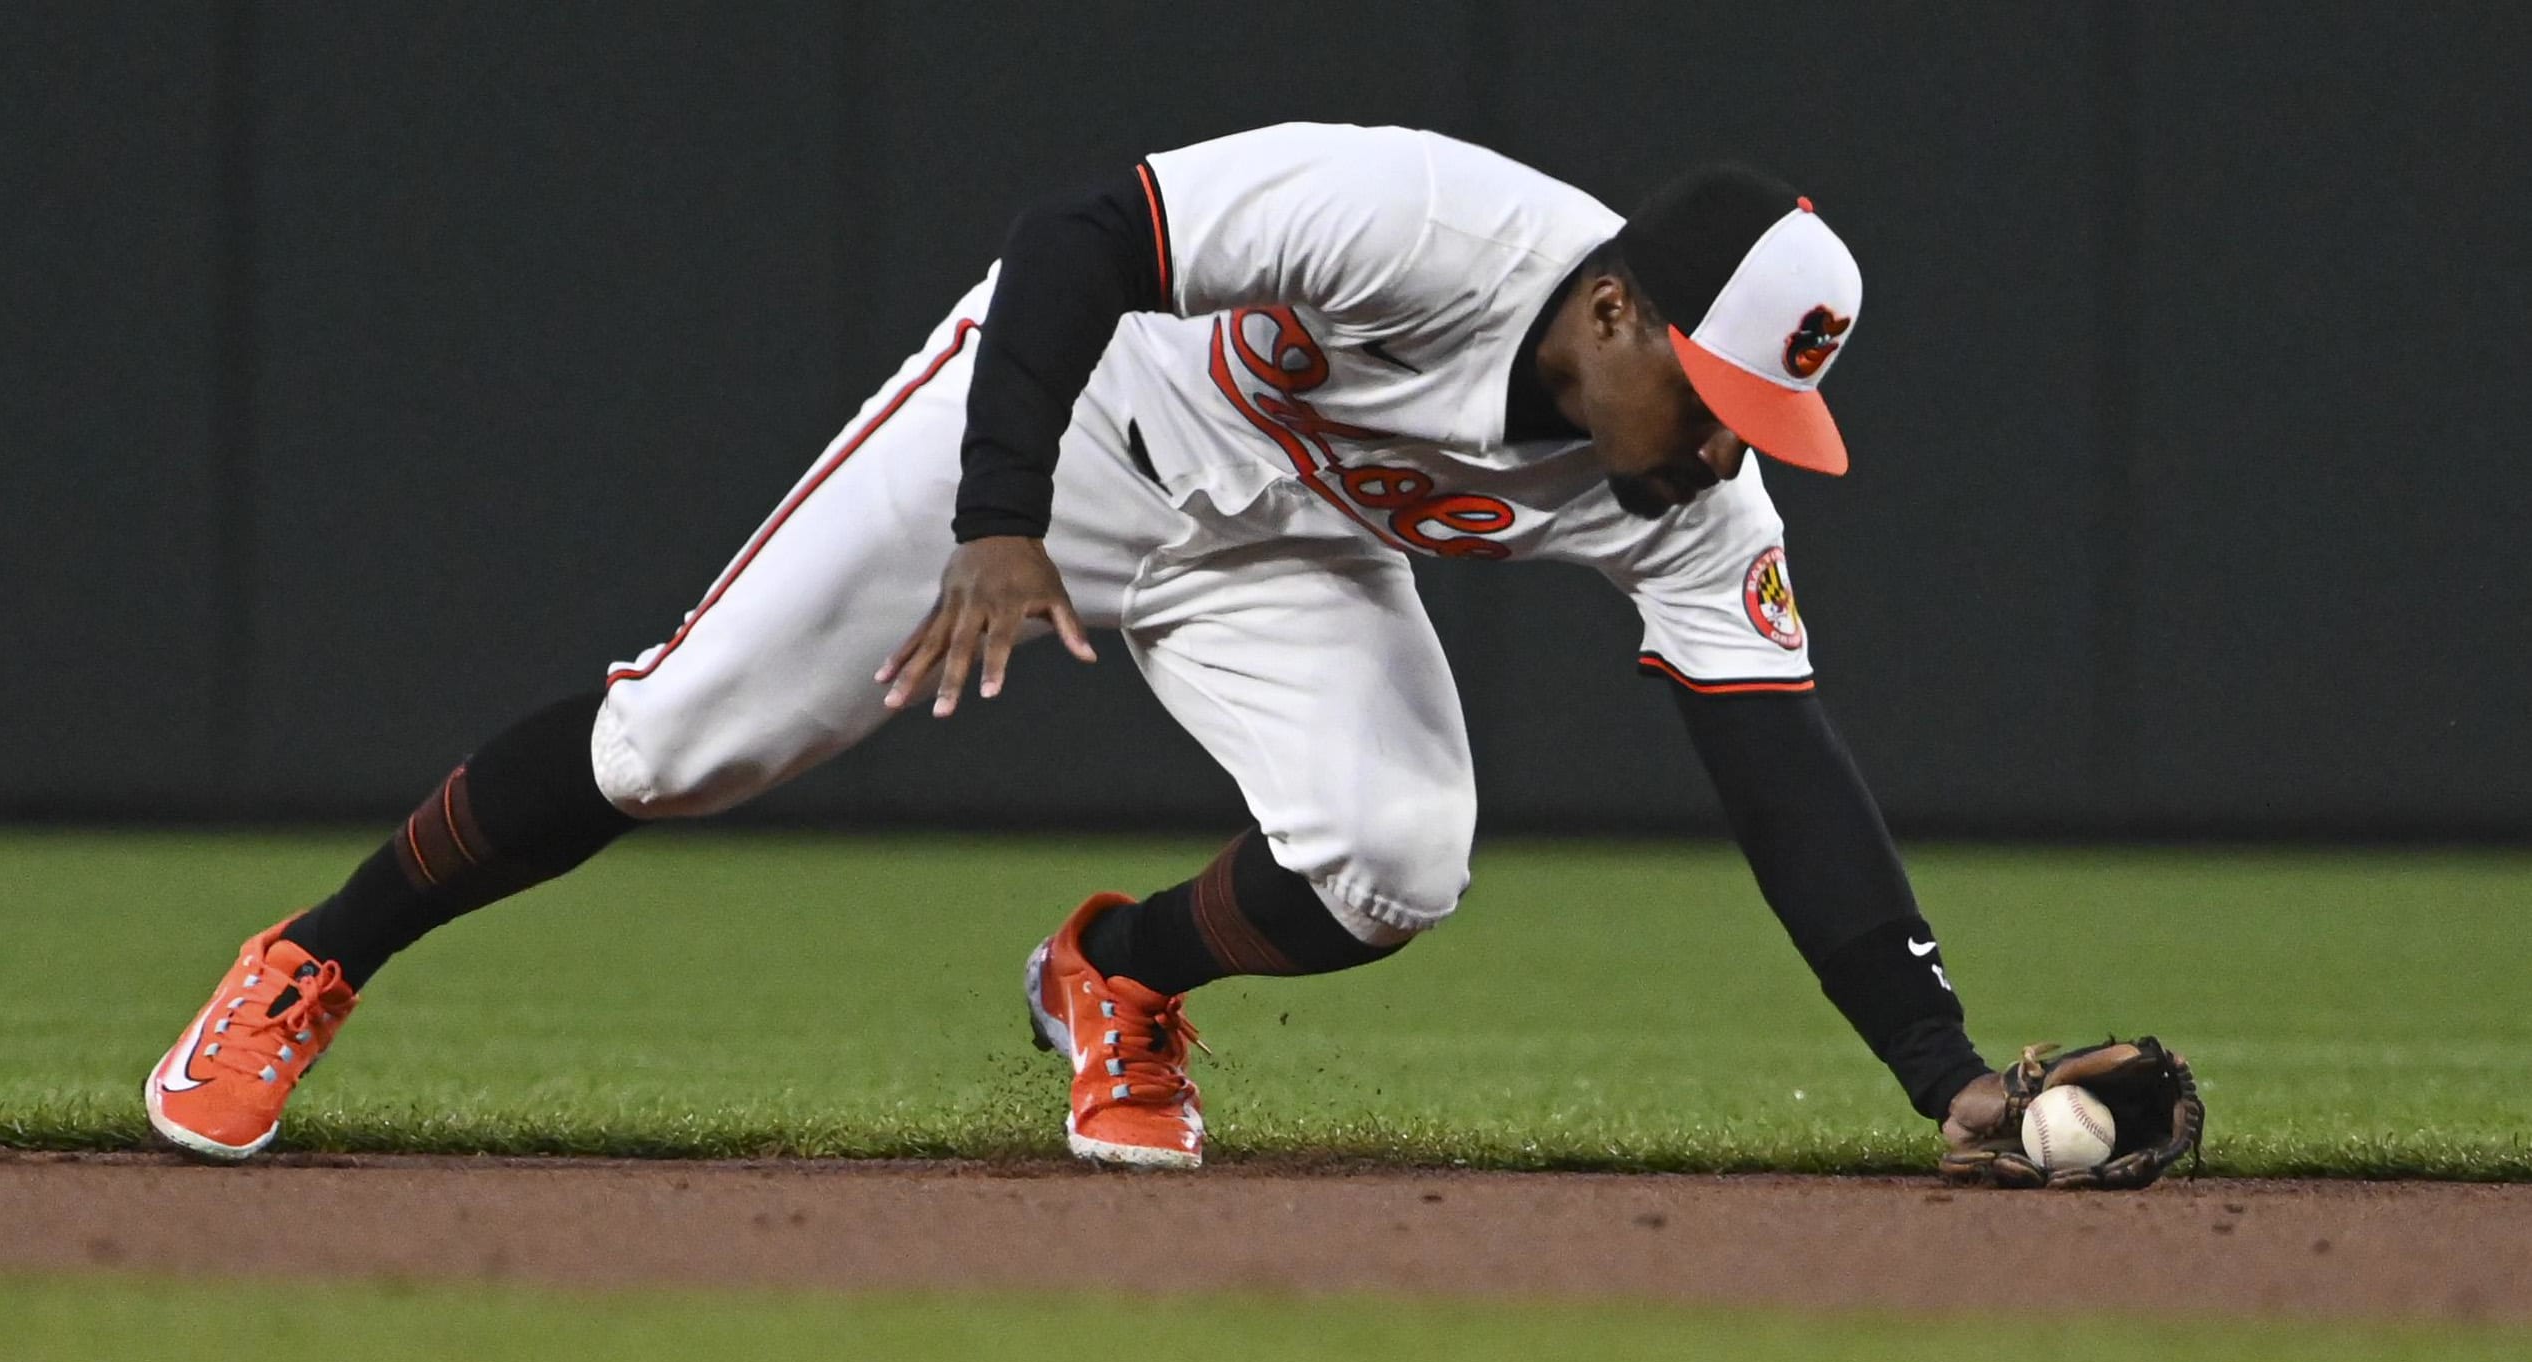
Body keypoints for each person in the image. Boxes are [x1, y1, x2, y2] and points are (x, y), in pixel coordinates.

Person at [145, 122, 2008, 1170]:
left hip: (1280, 543)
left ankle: (1110, 975)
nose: (1723, 441)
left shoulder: (1683, 500)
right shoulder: (1425, 220)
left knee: (1391, 860)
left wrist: (1952, 1078)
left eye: (1757, 419)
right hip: (1075, 433)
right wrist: (998, 520)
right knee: (669, 750)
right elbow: (1081, 232)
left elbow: (1782, 773)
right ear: (1612, 309)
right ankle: (307, 958)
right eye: (1710, 391)